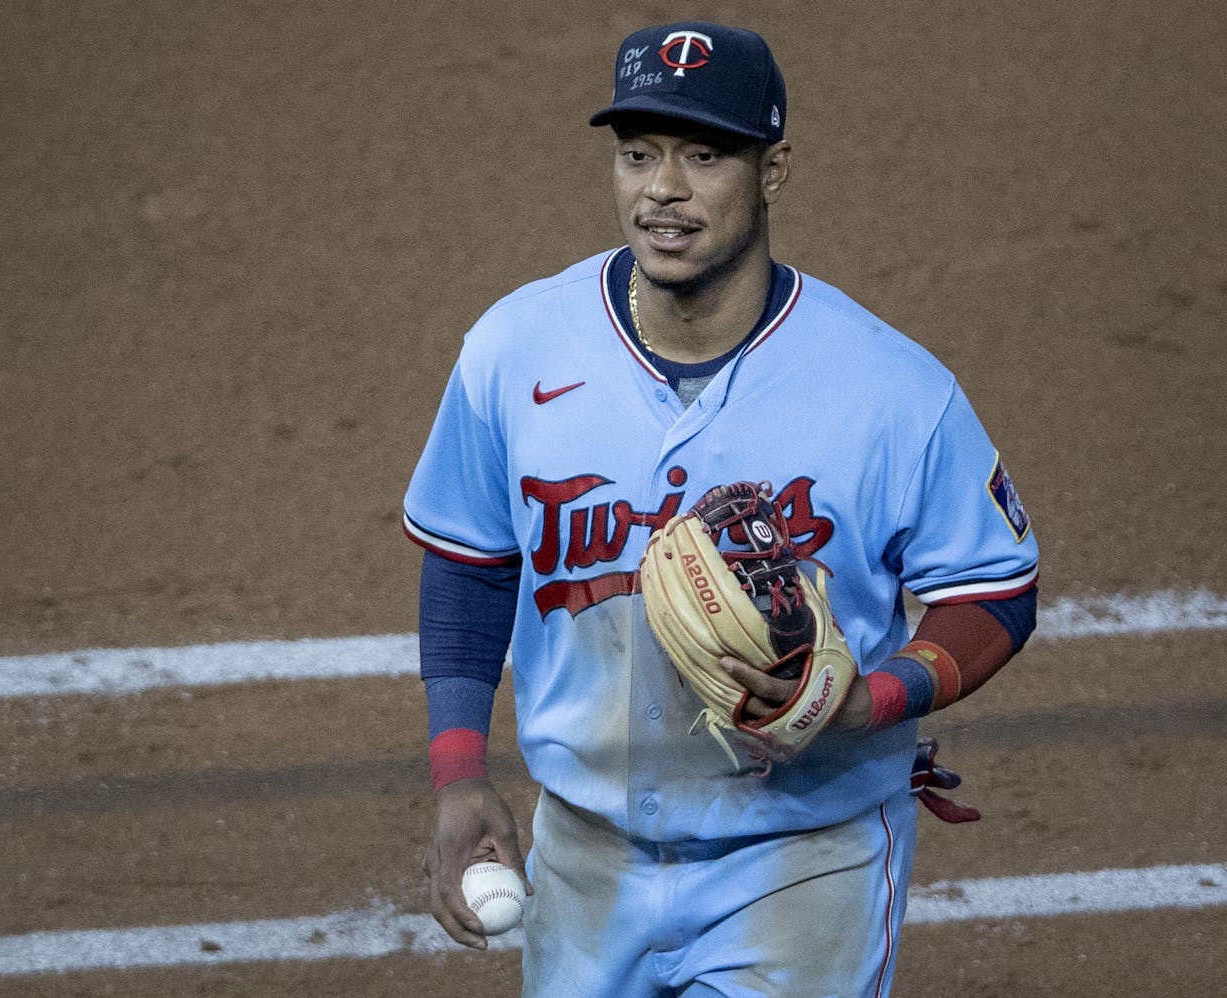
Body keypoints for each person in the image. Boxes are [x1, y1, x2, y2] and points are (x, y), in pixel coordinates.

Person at [402, 20, 1038, 997]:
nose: (663, 186)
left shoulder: (886, 389)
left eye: (704, 154)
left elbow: (993, 594)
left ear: (771, 169)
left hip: (800, 854)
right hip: (583, 850)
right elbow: (471, 560)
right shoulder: (514, 349)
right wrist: (456, 769)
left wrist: (869, 699)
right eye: (638, 153)